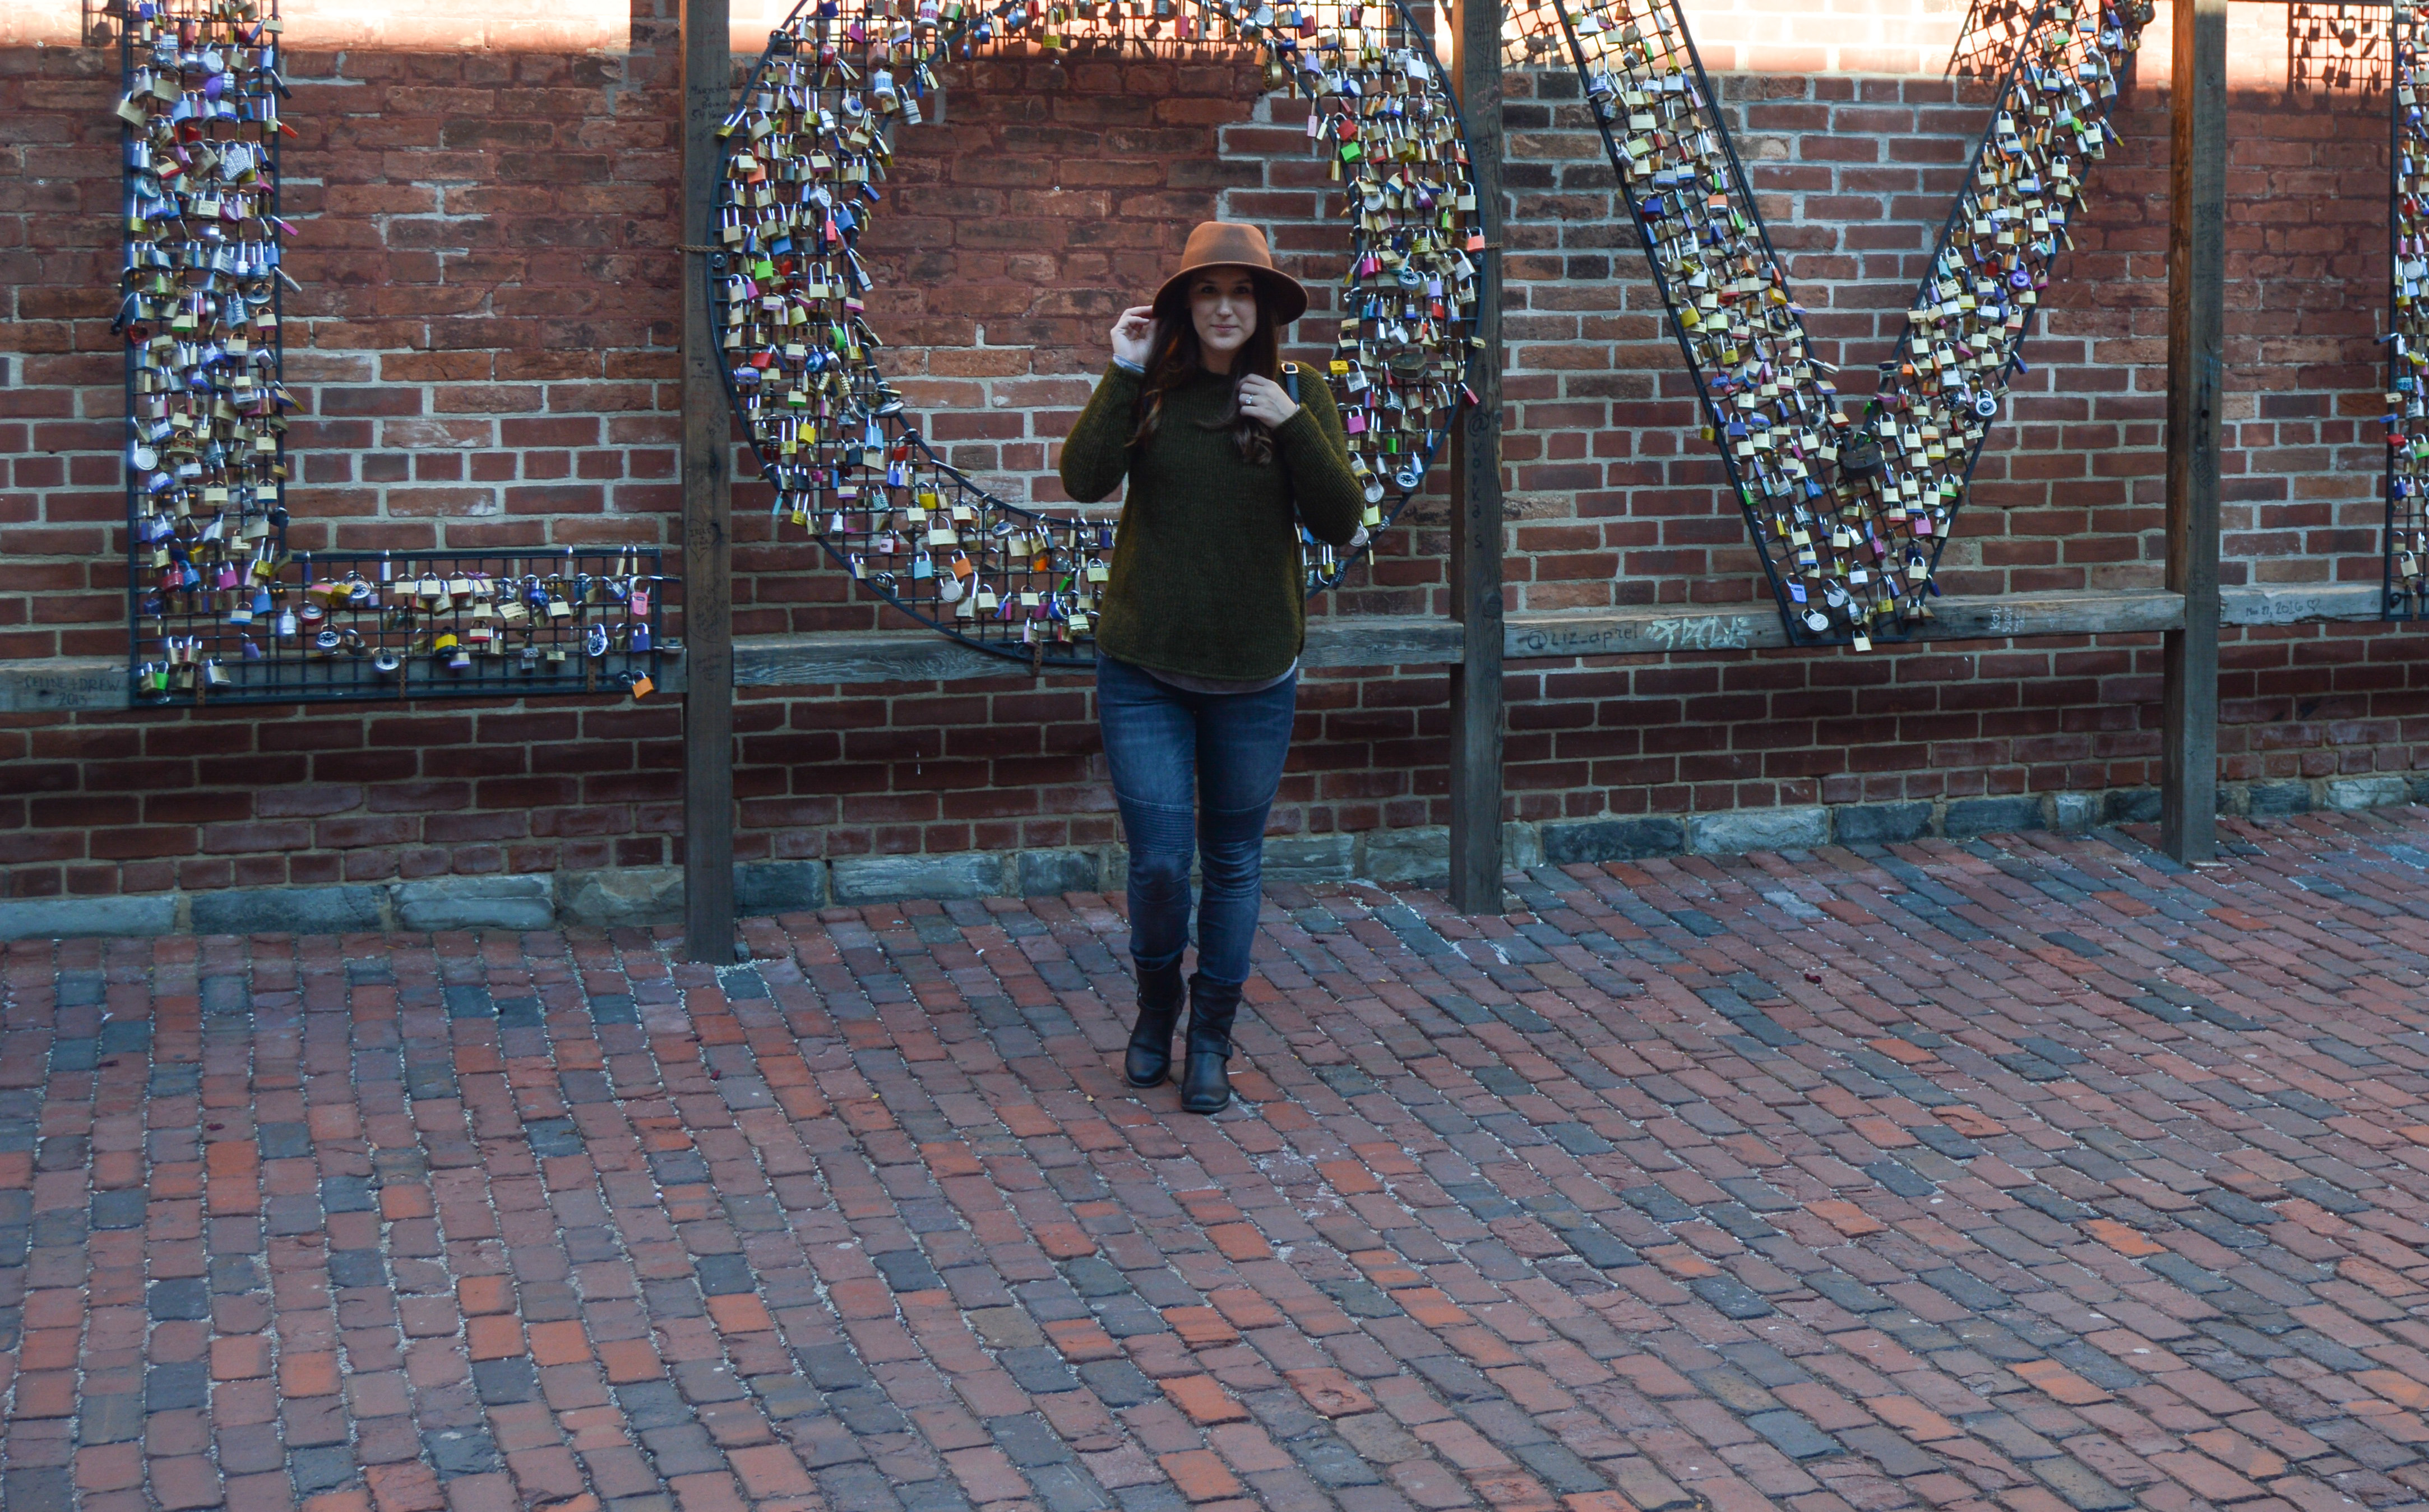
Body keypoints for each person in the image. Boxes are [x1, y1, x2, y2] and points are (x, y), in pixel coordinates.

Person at [1057, 221, 1363, 1115]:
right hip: (1145, 667)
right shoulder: (1151, 388)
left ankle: (1211, 1039)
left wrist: (1292, 425)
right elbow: (1080, 479)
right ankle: (1156, 1009)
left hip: (1255, 675)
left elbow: (1340, 520)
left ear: (1264, 307)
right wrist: (1119, 370)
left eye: (1242, 291)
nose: (1224, 305)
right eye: (1206, 290)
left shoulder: (1299, 393)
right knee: (1158, 864)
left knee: (1230, 862)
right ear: (1183, 304)